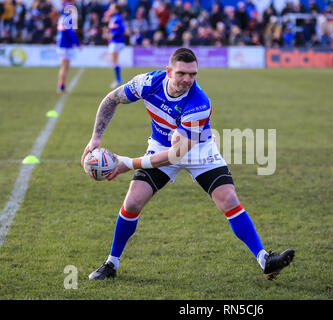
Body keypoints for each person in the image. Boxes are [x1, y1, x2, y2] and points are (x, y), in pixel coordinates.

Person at [82, 48, 294, 281]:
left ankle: (265, 259)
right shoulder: (147, 83)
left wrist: (127, 163)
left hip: (199, 151)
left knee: (229, 199)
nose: (187, 79)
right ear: (168, 71)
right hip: (162, 146)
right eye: (182, 73)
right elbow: (111, 99)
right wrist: (96, 138)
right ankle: (111, 263)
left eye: (192, 74)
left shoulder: (199, 103)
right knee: (132, 202)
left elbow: (176, 155)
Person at [56, 1, 81, 94]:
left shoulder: (61, 18)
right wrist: (77, 44)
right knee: (64, 67)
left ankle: (61, 85)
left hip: (62, 45)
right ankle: (61, 86)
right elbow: (71, 33)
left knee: (64, 67)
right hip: (65, 46)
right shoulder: (67, 19)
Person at [105, 2, 126, 89]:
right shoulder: (113, 17)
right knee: (114, 60)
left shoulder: (118, 17)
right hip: (114, 41)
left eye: (112, 7)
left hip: (117, 41)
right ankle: (118, 79)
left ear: (116, 9)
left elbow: (122, 29)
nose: (110, 8)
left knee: (115, 60)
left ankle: (118, 79)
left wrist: (113, 34)